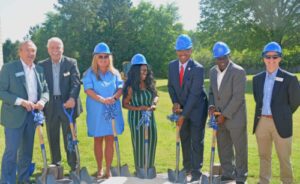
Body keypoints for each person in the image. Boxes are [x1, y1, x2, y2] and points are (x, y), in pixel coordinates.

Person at [0, 40, 49, 183]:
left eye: (33, 51)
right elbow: (1, 91)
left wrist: (42, 101)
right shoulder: (9, 68)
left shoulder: (39, 69)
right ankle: (7, 181)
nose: (30, 53)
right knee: (12, 152)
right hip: (14, 116)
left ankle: (23, 179)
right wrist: (21, 101)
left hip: (32, 116)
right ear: (20, 52)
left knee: (26, 152)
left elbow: (45, 91)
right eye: (27, 50)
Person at [253, 42, 300, 184]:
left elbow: (295, 101)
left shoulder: (290, 78)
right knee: (264, 156)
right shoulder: (257, 79)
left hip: (282, 122)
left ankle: (287, 182)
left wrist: (283, 114)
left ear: (280, 58)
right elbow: (257, 99)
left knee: (284, 158)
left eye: (275, 57)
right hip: (262, 122)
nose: (271, 60)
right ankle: (263, 181)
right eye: (268, 57)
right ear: (263, 58)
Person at [167, 34, 208, 182]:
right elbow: (171, 87)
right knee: (184, 137)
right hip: (182, 108)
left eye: (186, 51)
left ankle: (196, 171)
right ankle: (187, 168)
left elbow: (194, 94)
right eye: (179, 51)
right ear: (176, 51)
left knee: (196, 140)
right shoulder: (171, 66)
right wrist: (175, 102)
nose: (182, 54)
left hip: (197, 109)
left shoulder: (198, 68)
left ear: (191, 50)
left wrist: (183, 116)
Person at [38, 37, 82, 171]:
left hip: (67, 105)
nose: (56, 51)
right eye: (52, 48)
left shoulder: (71, 63)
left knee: (70, 135)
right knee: (52, 134)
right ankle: (56, 164)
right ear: (48, 50)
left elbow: (76, 82)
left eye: (58, 48)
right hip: (50, 105)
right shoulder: (42, 65)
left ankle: (73, 164)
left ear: (63, 49)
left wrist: (72, 98)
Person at [82, 42, 124, 179]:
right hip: (97, 110)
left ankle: (108, 169)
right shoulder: (89, 73)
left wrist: (115, 97)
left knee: (110, 139)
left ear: (109, 58)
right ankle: (99, 168)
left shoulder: (115, 73)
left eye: (106, 56)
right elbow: (88, 90)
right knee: (98, 139)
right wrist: (101, 99)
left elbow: (120, 88)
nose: (103, 59)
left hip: (112, 108)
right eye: (100, 56)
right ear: (95, 58)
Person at [208, 42, 248, 184]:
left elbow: (238, 97)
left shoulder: (239, 71)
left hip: (235, 118)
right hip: (219, 117)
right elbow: (212, 92)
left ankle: (241, 176)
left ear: (228, 56)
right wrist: (211, 105)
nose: (222, 61)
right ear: (215, 59)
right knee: (223, 147)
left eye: (224, 57)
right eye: (219, 58)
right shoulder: (212, 71)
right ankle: (227, 173)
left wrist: (224, 115)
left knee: (240, 148)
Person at [122, 54, 158, 178]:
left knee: (152, 140)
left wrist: (153, 103)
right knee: (139, 143)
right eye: (142, 70)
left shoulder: (149, 83)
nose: (145, 72)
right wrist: (139, 108)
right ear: (136, 71)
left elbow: (155, 95)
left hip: (149, 117)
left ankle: (149, 166)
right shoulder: (131, 87)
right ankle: (140, 168)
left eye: (146, 70)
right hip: (136, 119)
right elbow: (125, 104)